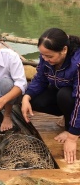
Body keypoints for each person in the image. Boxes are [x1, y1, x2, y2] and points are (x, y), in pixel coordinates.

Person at [21, 28, 80, 164]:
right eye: (43, 55)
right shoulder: (45, 58)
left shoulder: (77, 63)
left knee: (64, 95)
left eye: (49, 56)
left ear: (64, 50)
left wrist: (72, 136)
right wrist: (26, 97)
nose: (45, 59)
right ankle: (68, 116)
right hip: (62, 92)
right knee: (34, 100)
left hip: (74, 97)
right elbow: (40, 79)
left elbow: (79, 99)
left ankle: (71, 126)